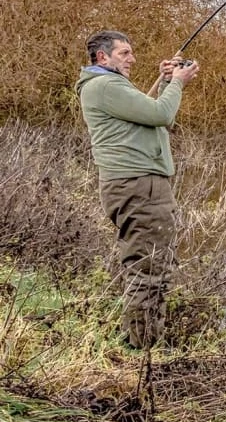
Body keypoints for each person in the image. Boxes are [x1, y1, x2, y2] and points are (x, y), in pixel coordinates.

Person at [75, 30, 200, 349]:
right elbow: (161, 114)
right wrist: (178, 82)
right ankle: (143, 350)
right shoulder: (106, 85)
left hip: (133, 184)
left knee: (145, 262)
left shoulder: (107, 86)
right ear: (102, 57)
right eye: (124, 53)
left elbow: (151, 116)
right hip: (139, 186)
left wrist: (165, 80)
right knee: (150, 268)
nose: (132, 58)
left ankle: (136, 339)